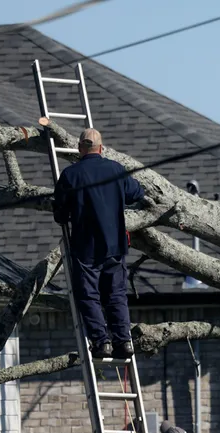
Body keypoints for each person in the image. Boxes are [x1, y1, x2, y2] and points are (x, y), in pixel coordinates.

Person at [53, 127, 145, 359]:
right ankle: (123, 342)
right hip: (114, 245)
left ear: (79, 148)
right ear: (101, 148)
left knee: (88, 295)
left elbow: (60, 215)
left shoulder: (71, 175)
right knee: (116, 295)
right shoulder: (115, 170)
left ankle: (101, 342)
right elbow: (136, 193)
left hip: (86, 247)